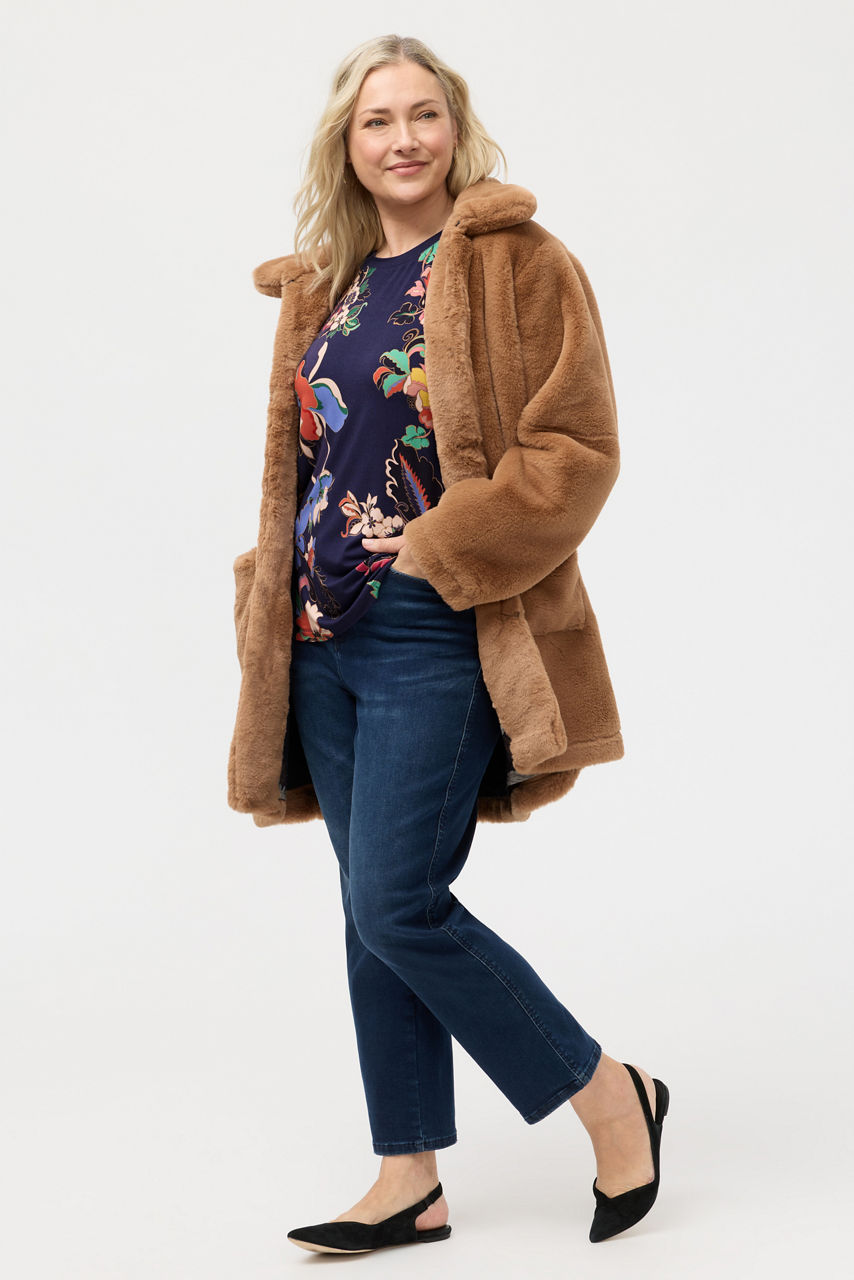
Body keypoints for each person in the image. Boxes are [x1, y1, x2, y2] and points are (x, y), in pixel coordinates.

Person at [227, 33, 670, 1254]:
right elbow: (315, 457)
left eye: (423, 114)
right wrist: (277, 588)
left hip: (436, 621)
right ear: (347, 145)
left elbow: (575, 447)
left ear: (454, 126)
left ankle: (609, 1094)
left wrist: (438, 552)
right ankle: (407, 1173)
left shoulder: (517, 261)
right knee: (368, 910)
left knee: (400, 901)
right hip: (320, 636)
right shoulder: (327, 285)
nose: (403, 139)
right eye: (377, 121)